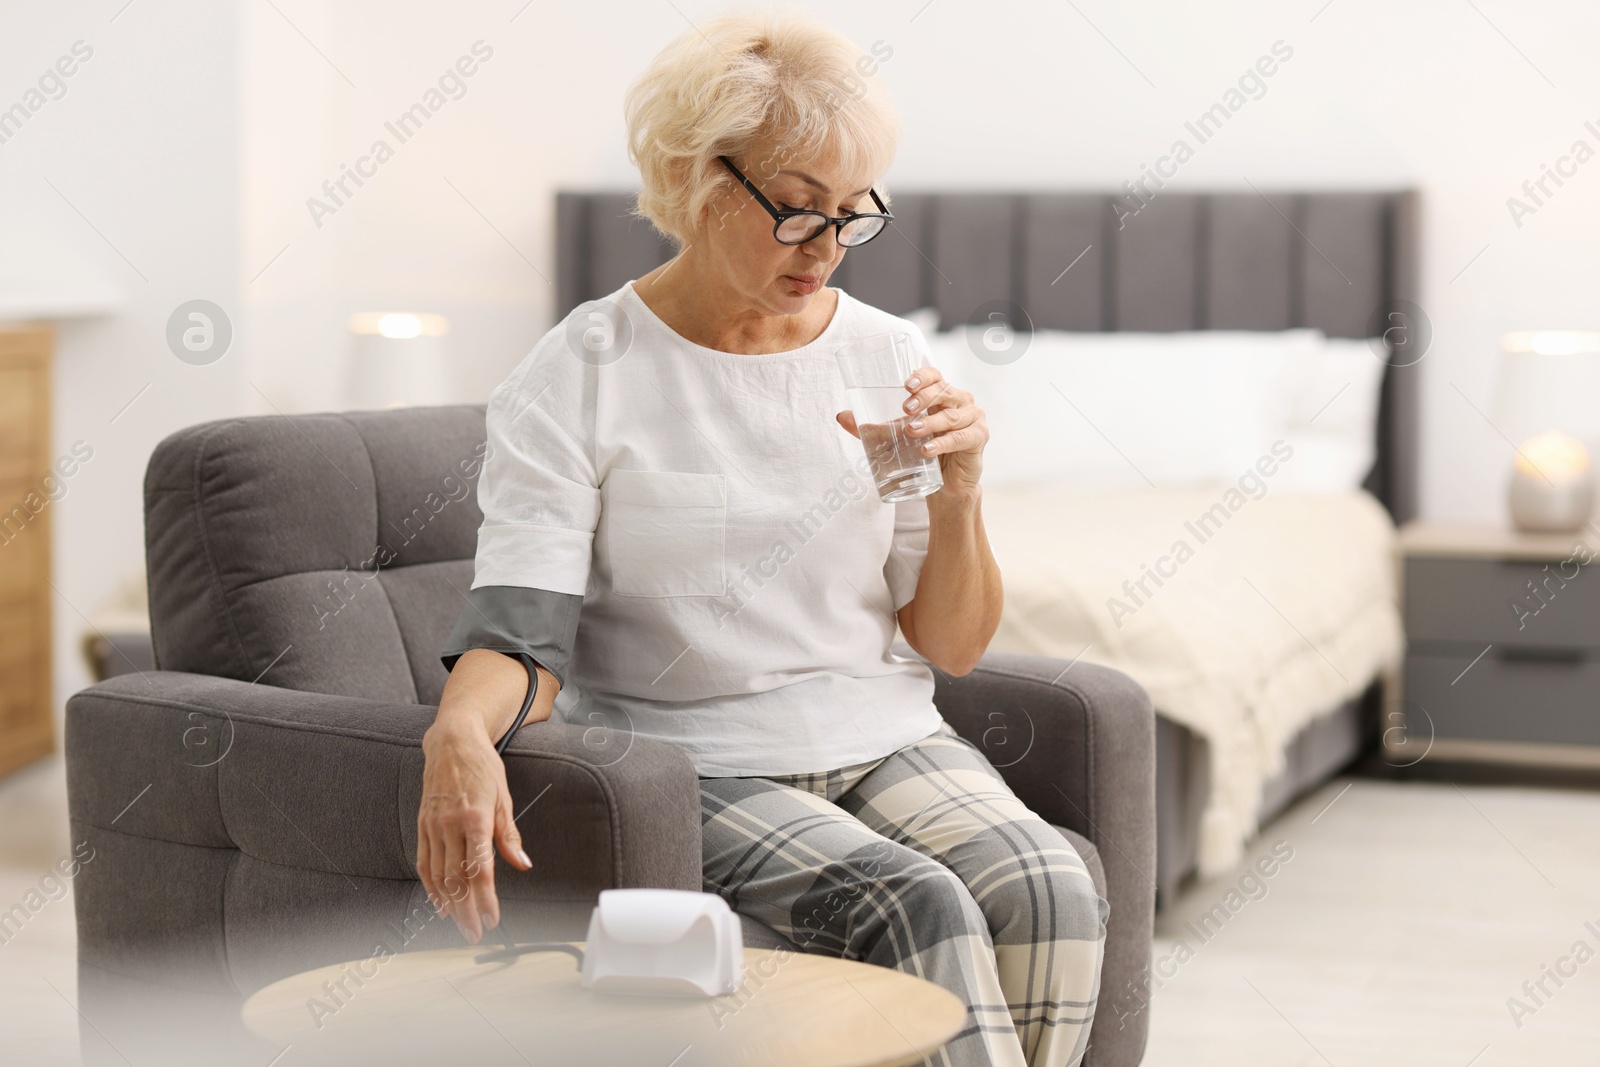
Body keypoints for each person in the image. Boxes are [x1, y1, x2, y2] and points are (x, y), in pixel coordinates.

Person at [415, 10, 1106, 1066]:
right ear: (697, 179)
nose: (827, 246)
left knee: (1047, 885)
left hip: (885, 733)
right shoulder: (581, 371)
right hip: (697, 756)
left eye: (851, 214)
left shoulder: (885, 354)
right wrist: (458, 730)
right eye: (795, 210)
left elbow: (952, 645)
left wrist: (960, 491)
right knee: (914, 900)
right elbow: (523, 633)